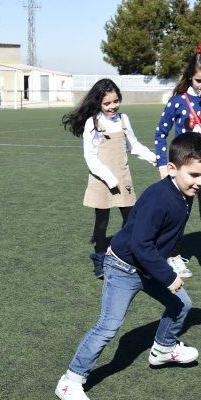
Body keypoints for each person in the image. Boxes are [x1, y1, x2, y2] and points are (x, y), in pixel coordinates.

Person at [55, 133, 201, 400]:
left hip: (147, 265)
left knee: (182, 304)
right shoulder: (159, 198)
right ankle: (71, 379)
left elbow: (161, 237)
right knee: (109, 326)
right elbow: (140, 245)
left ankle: (163, 349)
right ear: (173, 168)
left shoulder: (183, 192)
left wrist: (169, 260)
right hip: (124, 267)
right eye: (195, 175)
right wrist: (168, 275)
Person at [62, 78, 157, 278]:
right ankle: (99, 258)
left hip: (123, 177)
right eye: (107, 103)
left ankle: (126, 256)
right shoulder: (92, 123)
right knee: (102, 222)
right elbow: (90, 157)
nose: (112, 106)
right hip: (101, 179)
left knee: (131, 220)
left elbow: (134, 145)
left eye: (116, 101)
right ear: (98, 103)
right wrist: (109, 178)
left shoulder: (124, 120)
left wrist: (155, 159)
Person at [154, 44, 201, 286]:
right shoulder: (177, 101)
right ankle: (173, 256)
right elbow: (160, 133)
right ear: (190, 77)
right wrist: (163, 164)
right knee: (177, 214)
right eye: (198, 80)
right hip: (182, 169)